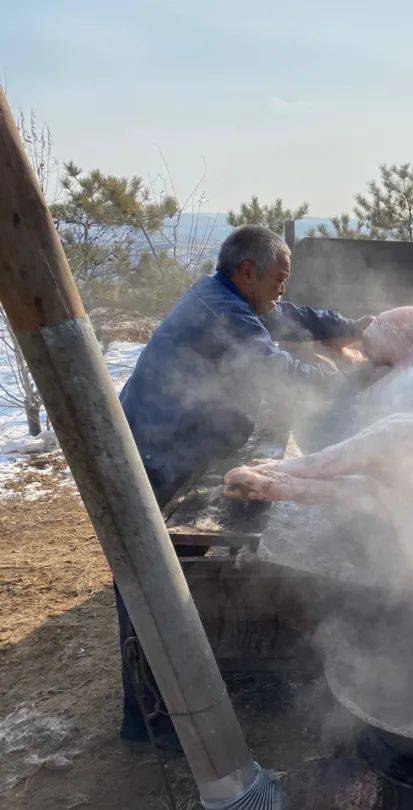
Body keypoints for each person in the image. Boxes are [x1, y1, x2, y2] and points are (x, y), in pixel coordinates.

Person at [116, 224, 369, 749]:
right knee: (146, 584)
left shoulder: (234, 296)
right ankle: (148, 721)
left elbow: (293, 314)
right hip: (153, 454)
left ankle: (176, 690)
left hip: (180, 448)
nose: (282, 288)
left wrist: (350, 328)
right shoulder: (222, 312)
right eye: (278, 278)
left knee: (166, 577)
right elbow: (275, 369)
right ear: (248, 271)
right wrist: (349, 380)